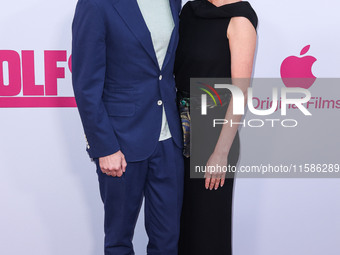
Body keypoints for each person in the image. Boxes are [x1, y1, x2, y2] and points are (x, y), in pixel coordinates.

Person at [71, 0, 184, 254]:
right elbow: (85, 85)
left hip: (169, 140)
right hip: (120, 141)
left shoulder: (173, 1)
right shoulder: (96, 4)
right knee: (119, 241)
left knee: (168, 241)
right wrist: (104, 146)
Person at [174, 0, 258, 254]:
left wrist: (221, 153)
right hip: (175, 127)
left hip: (215, 133)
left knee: (207, 227)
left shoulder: (241, 19)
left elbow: (239, 94)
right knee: (178, 225)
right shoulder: (189, 10)